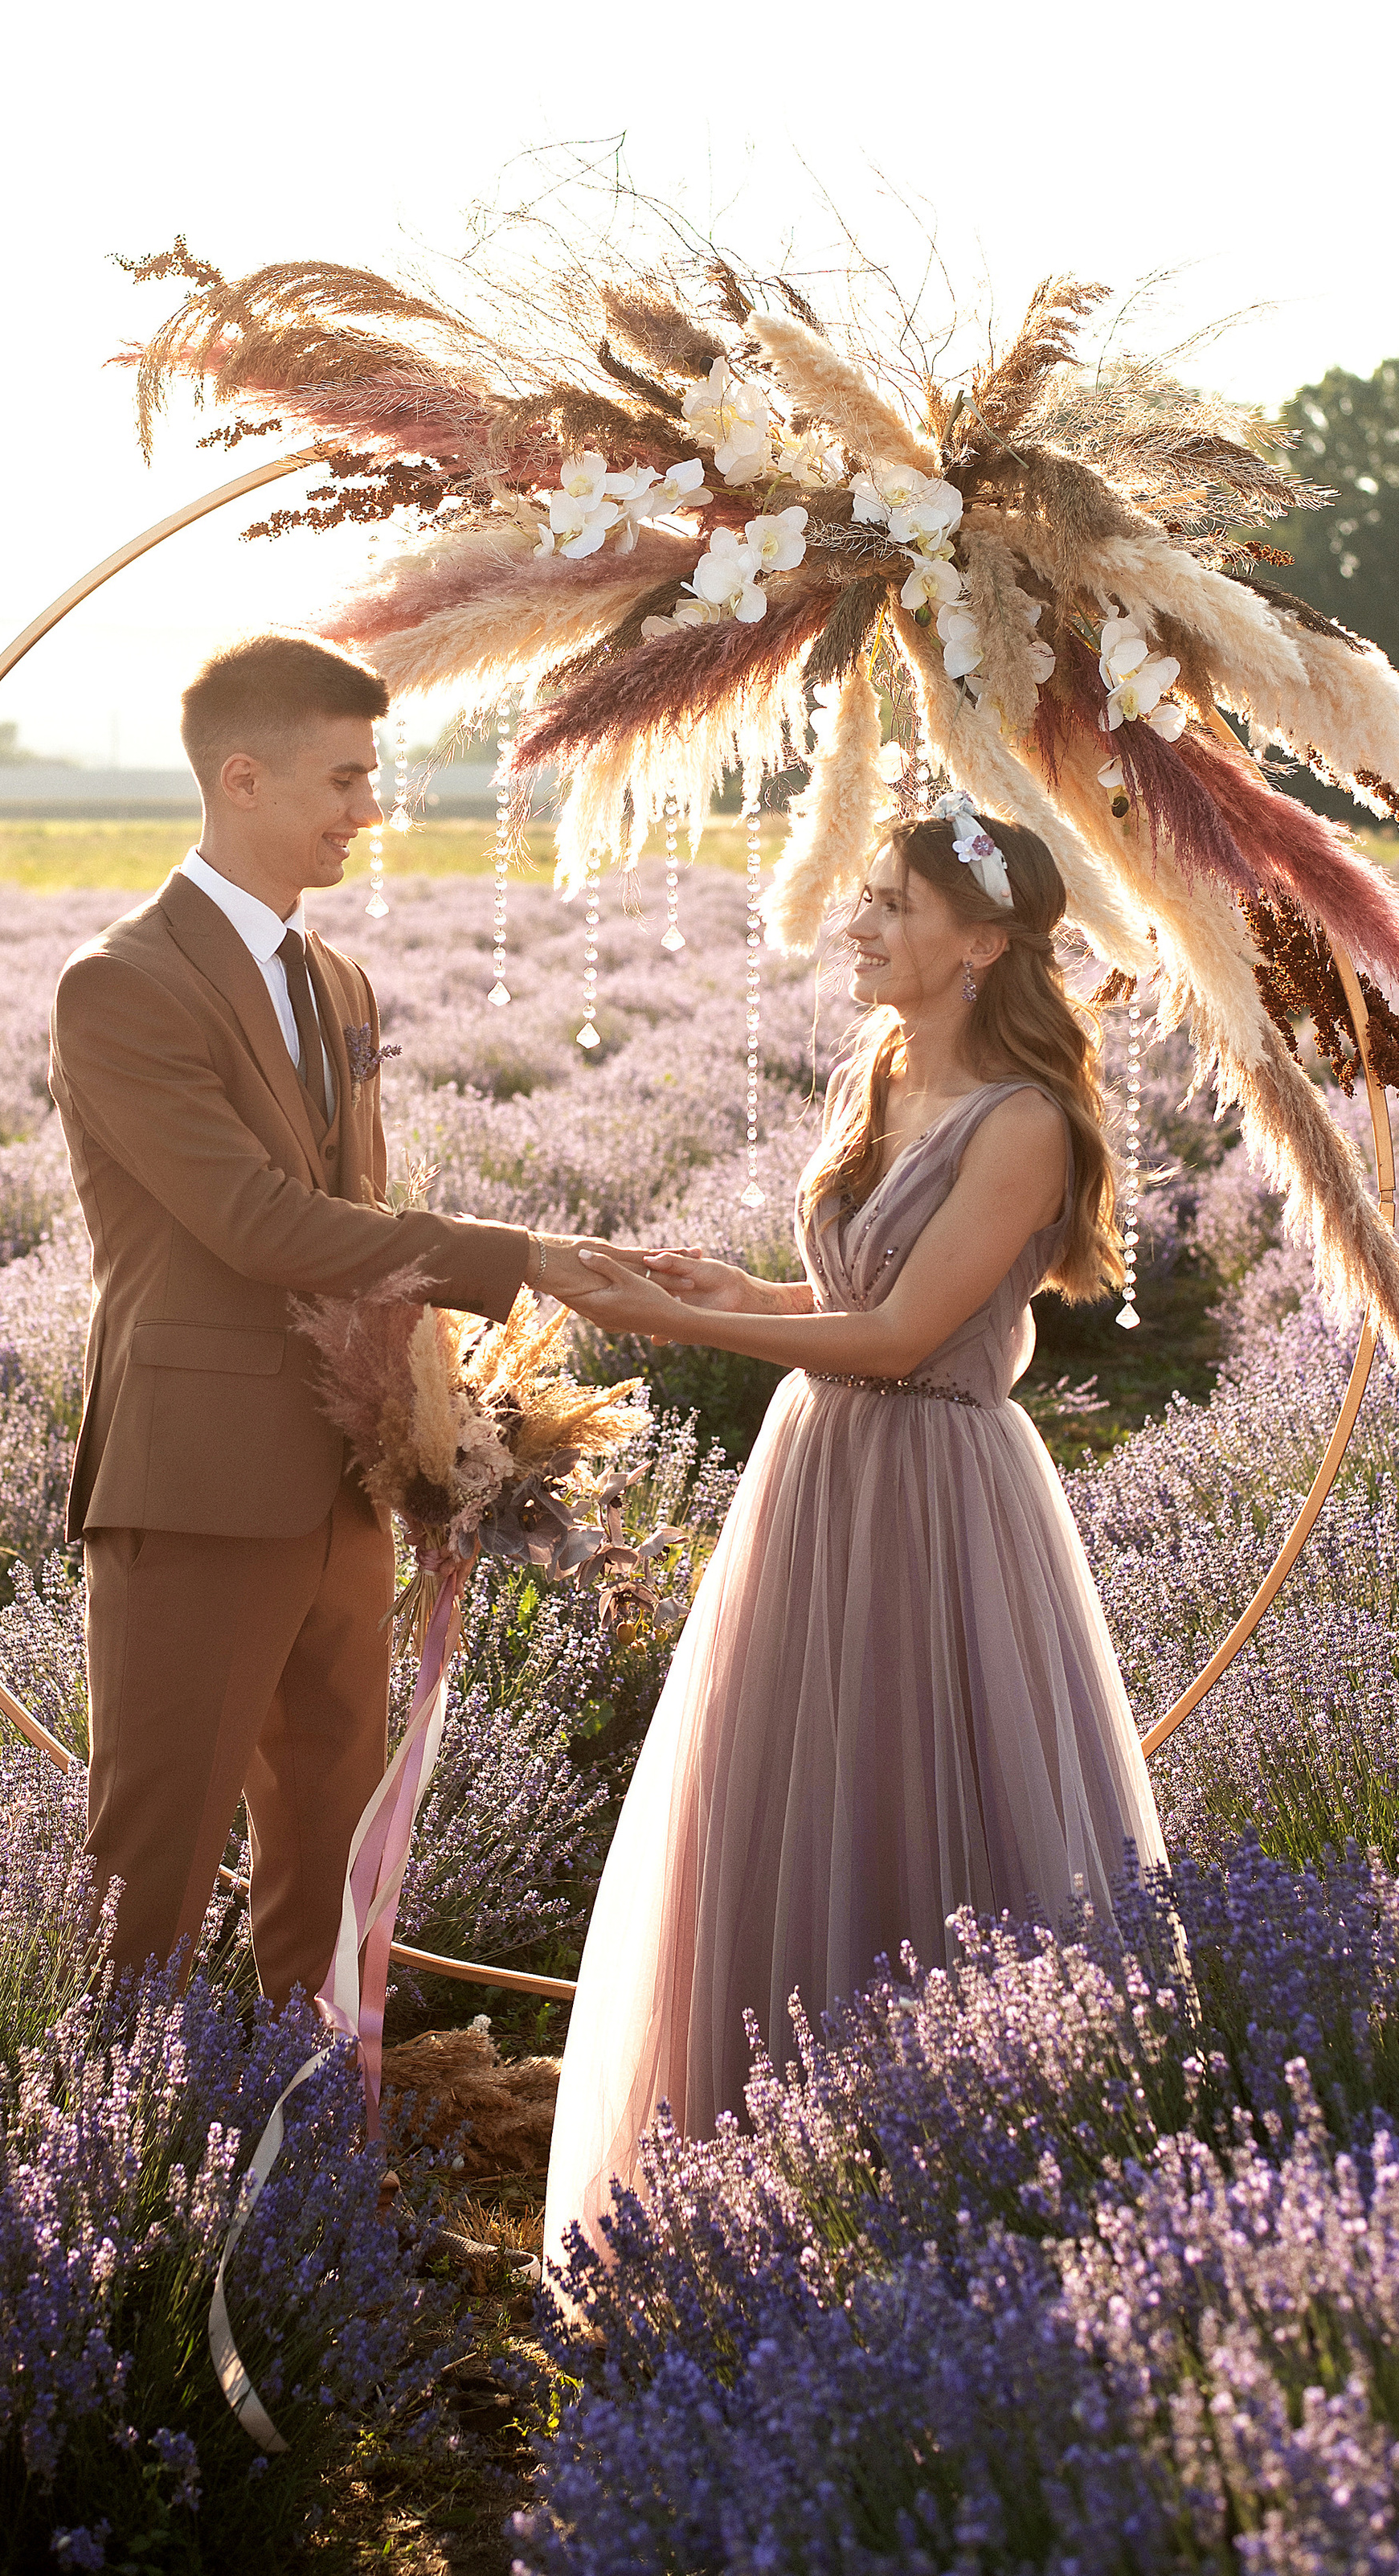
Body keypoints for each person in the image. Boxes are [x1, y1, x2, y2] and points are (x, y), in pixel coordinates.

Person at [546, 797, 1168, 2258]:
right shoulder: (881, 1074)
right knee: (782, 1790)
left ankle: (948, 2184)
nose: (860, 919)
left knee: (912, 1786)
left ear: (983, 944)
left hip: (934, 1494)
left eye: (893, 902)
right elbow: (838, 1307)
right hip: (818, 1470)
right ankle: (748, 2185)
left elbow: (897, 1338)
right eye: (868, 893)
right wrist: (723, 1290)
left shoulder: (1027, 1124)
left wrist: (656, 1323)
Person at [48, 630, 618, 2005]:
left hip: (346, 1478)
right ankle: (123, 2172)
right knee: (156, 1865)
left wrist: (436, 1417)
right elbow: (257, 1223)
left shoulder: (336, 982)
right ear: (241, 778)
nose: (372, 811)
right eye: (346, 780)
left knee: (338, 1845)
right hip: (196, 1482)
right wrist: (521, 1259)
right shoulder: (121, 983)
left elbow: (355, 1212)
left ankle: (309, 2139)